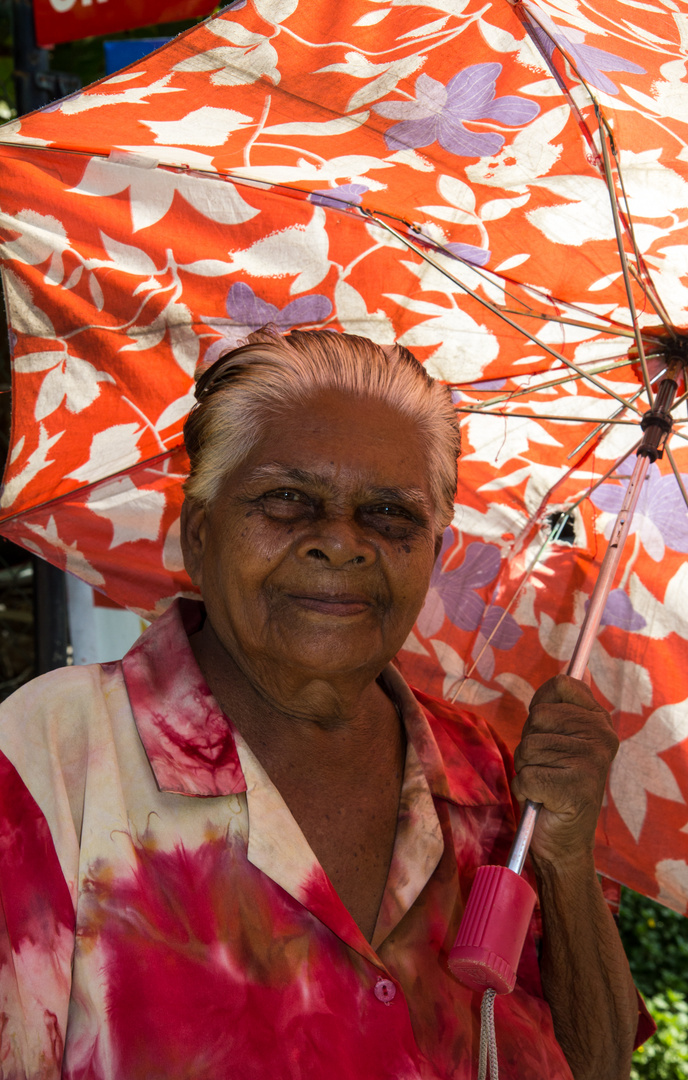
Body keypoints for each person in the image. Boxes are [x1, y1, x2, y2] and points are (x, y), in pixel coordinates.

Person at [0, 328, 652, 1079]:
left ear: (432, 556)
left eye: (389, 514)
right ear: (200, 533)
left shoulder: (485, 772)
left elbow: (594, 1065)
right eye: (286, 498)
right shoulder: (56, 749)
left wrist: (564, 858)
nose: (341, 543)